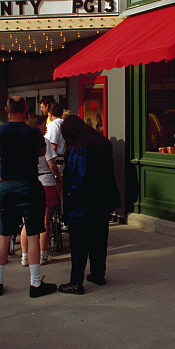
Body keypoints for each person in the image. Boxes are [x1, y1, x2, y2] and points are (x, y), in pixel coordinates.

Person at [0, 96, 56, 298]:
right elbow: (42, 152)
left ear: (6, 109)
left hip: (7, 185)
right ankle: (35, 284)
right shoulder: (33, 132)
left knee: (4, 233)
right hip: (29, 185)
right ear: (26, 109)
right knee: (33, 233)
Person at [58, 115, 120, 295]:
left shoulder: (79, 148)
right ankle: (98, 274)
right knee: (99, 239)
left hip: (83, 202)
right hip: (103, 200)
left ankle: (76, 282)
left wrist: (70, 201)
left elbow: (79, 178)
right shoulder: (102, 142)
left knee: (78, 244)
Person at [19, 114, 62, 267]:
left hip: (27, 181)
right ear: (37, 125)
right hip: (46, 181)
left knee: (28, 221)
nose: (46, 127)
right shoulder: (44, 142)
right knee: (45, 220)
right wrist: (58, 177)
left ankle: (25, 256)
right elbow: (52, 164)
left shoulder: (22, 142)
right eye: (44, 124)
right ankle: (43, 254)